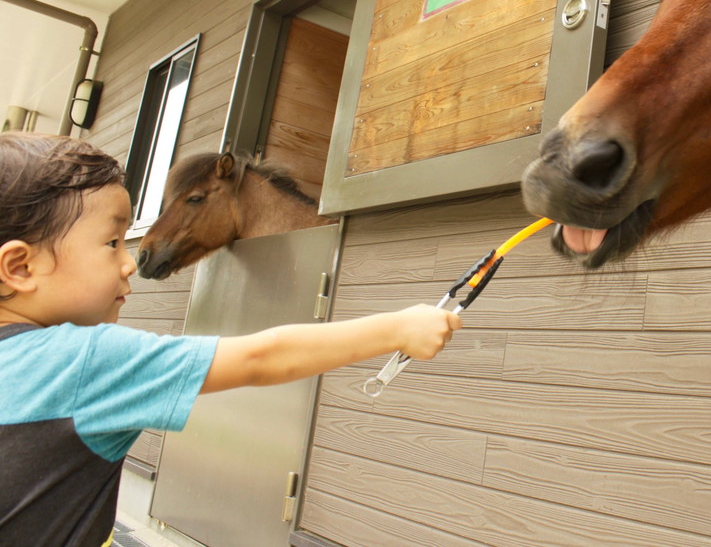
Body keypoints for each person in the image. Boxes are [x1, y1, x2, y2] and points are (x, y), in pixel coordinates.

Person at [0, 132, 462, 547]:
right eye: (112, 243)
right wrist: (399, 327)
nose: (127, 262)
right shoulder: (87, 362)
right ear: (20, 268)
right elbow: (263, 357)